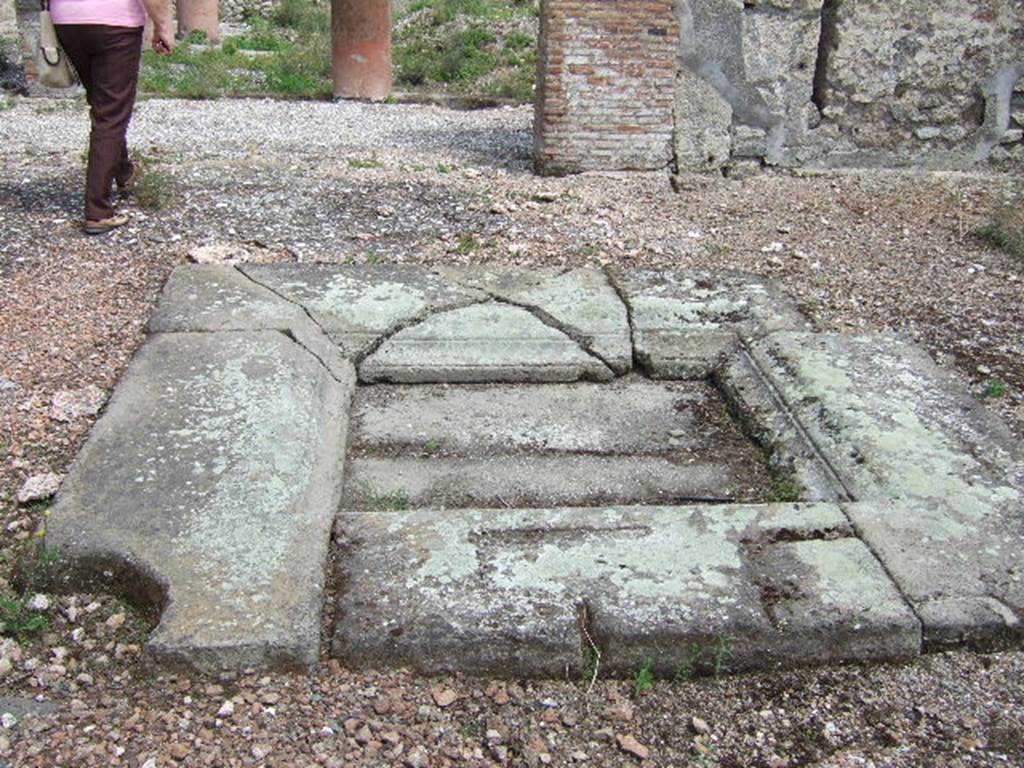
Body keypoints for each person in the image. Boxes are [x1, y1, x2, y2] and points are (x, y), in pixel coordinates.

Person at [51, 0, 175, 234]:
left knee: (103, 104)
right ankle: (98, 212)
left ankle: (124, 172)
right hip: (116, 22)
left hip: (66, 20)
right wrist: (163, 26)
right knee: (111, 114)